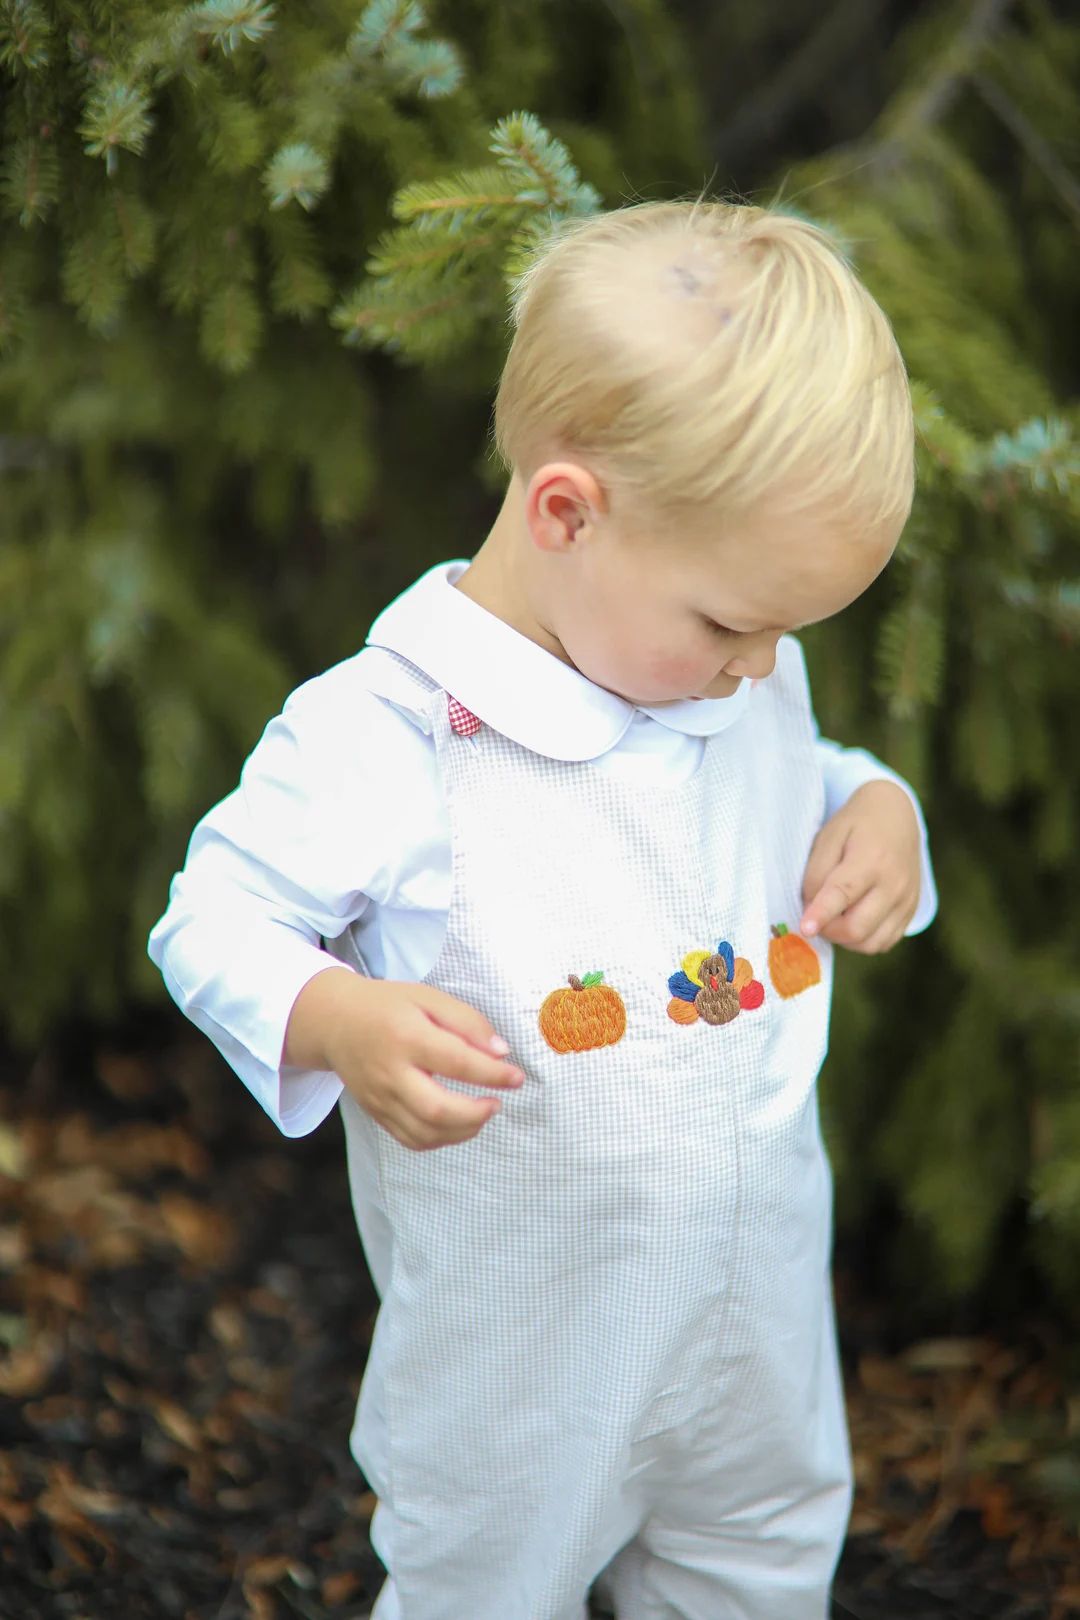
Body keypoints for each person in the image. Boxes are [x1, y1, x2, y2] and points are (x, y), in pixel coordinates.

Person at [149, 199, 937, 1620]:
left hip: (752, 1319)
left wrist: (879, 811)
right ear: (567, 512)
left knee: (760, 1561)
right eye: (730, 624)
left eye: (787, 635)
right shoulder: (393, 736)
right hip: (526, 1357)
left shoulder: (725, 666)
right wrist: (334, 1014)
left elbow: (804, 775)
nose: (760, 670)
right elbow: (211, 921)